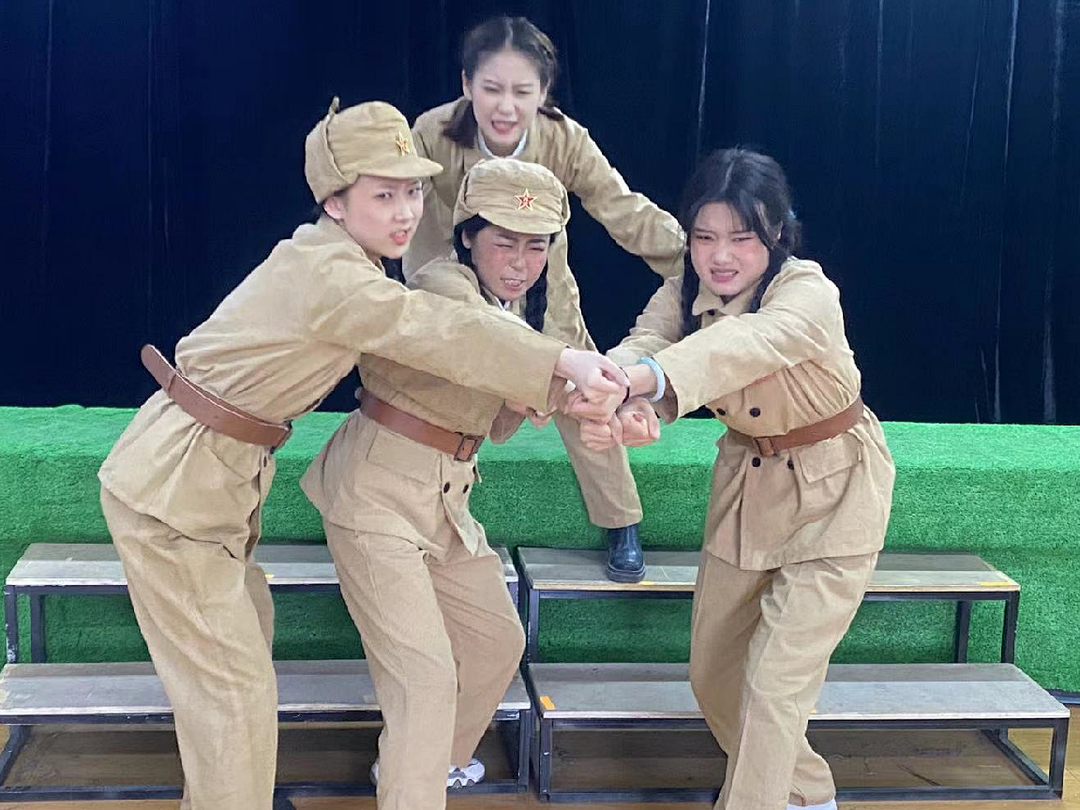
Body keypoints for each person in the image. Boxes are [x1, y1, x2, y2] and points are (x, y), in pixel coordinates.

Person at [97, 98, 625, 810]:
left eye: (412, 192)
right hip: (181, 480)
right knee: (233, 696)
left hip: (218, 477)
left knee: (237, 680)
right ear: (334, 202)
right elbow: (430, 327)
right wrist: (563, 364)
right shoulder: (332, 273)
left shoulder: (353, 266)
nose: (405, 213)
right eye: (383, 195)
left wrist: (597, 390)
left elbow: (463, 351)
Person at [575, 148, 895, 810]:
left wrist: (641, 384)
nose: (719, 256)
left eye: (741, 238)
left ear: (776, 231)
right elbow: (647, 343)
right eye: (704, 237)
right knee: (715, 677)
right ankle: (809, 795)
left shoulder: (806, 291)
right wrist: (616, 394)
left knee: (774, 685)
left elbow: (739, 347)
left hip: (835, 490)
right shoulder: (683, 289)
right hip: (746, 488)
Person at [302, 157, 574, 810]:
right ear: (468, 236)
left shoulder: (510, 312)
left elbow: (502, 415)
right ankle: (413, 785)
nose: (520, 262)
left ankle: (426, 766)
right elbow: (486, 337)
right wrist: (566, 375)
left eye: (536, 246)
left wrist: (583, 392)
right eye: (504, 241)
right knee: (422, 681)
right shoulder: (440, 284)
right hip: (375, 493)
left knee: (496, 643)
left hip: (447, 500)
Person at [406, 14, 687, 581]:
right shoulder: (432, 133)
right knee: (435, 399)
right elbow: (399, 208)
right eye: (491, 89)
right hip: (454, 283)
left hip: (540, 286)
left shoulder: (564, 140)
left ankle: (621, 519)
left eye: (522, 91)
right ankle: (413, 516)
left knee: (584, 384)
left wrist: (697, 263)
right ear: (466, 84)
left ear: (544, 92)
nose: (505, 106)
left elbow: (623, 208)